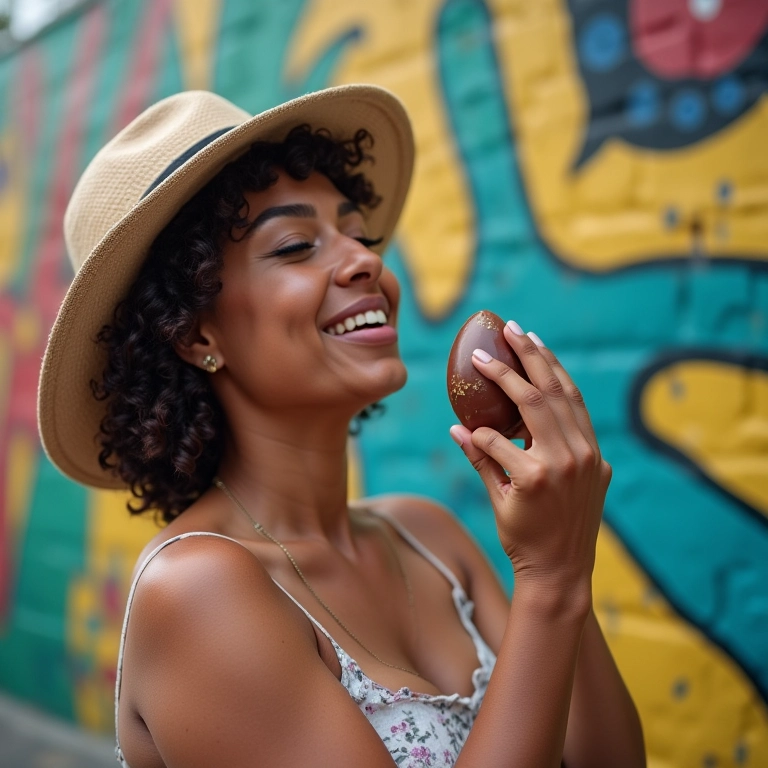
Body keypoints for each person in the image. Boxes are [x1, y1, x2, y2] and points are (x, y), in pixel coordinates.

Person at [38, 85, 645, 767]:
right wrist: (550, 579)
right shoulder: (199, 592)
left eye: (355, 232)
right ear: (193, 331)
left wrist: (565, 564)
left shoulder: (430, 539)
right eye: (297, 245)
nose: (365, 260)